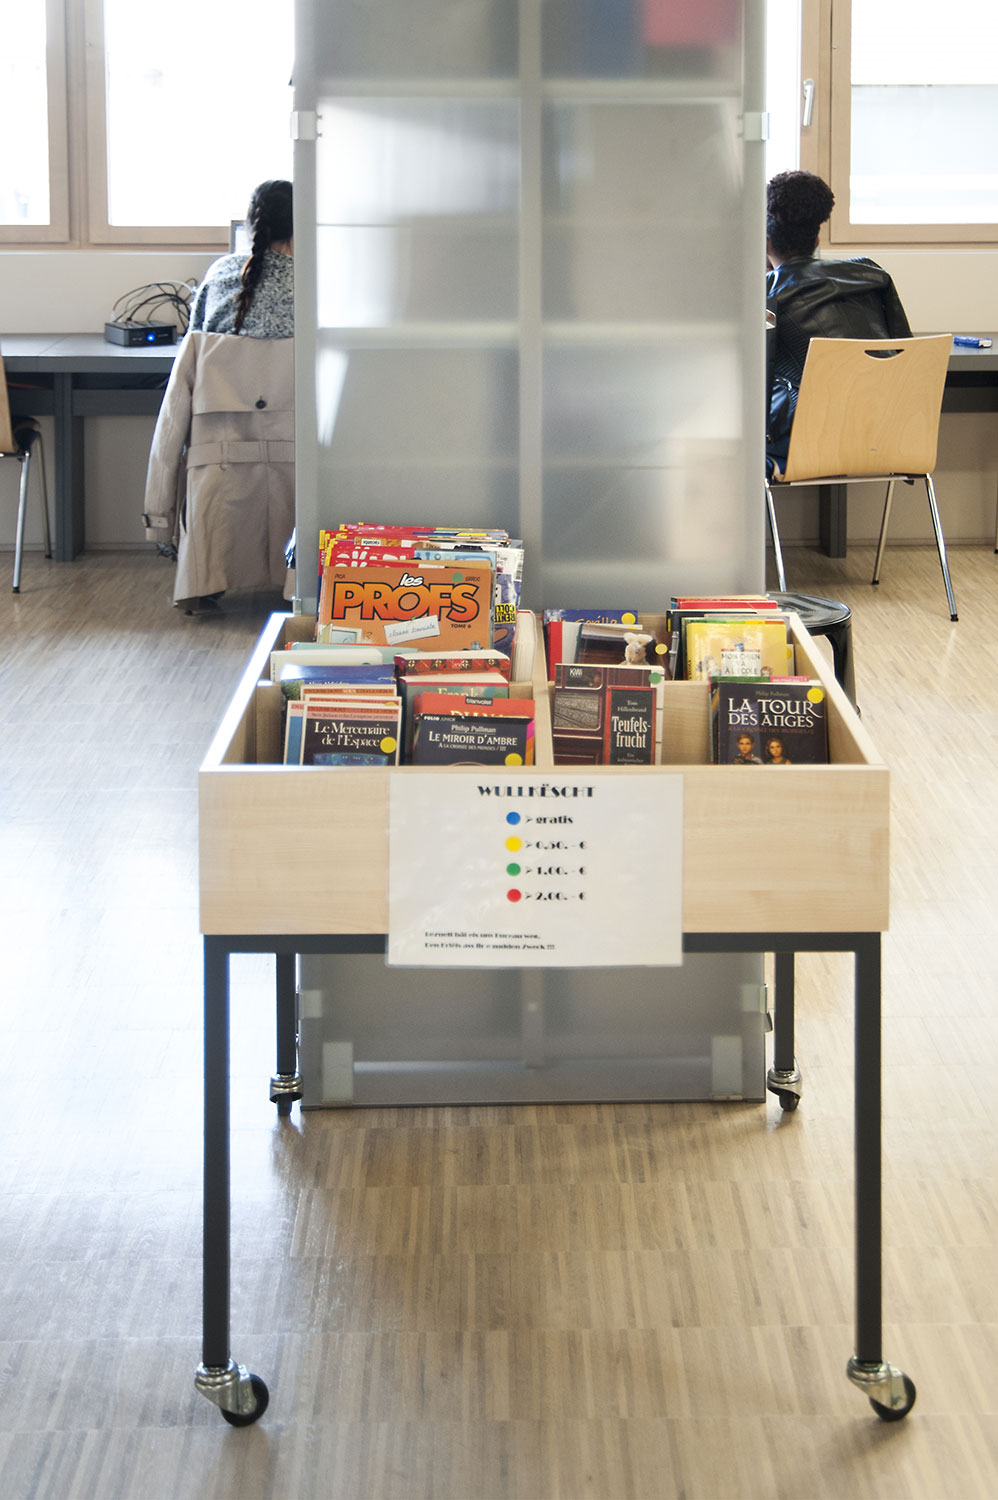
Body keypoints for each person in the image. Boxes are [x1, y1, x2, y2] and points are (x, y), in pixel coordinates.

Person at [142, 180, 295, 612]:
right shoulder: (316, 285)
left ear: (252, 226)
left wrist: (159, 519)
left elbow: (182, 389)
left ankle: (204, 582)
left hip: (219, 464)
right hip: (296, 457)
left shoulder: (218, 276)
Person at [765, 170, 912, 478]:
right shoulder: (872, 274)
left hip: (808, 441)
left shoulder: (769, 292)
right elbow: (906, 354)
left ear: (766, 243)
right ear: (817, 240)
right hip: (889, 433)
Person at [189, 178, 294, 338]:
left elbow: (193, 341)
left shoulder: (219, 272)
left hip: (221, 356)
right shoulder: (309, 285)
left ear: (250, 223)